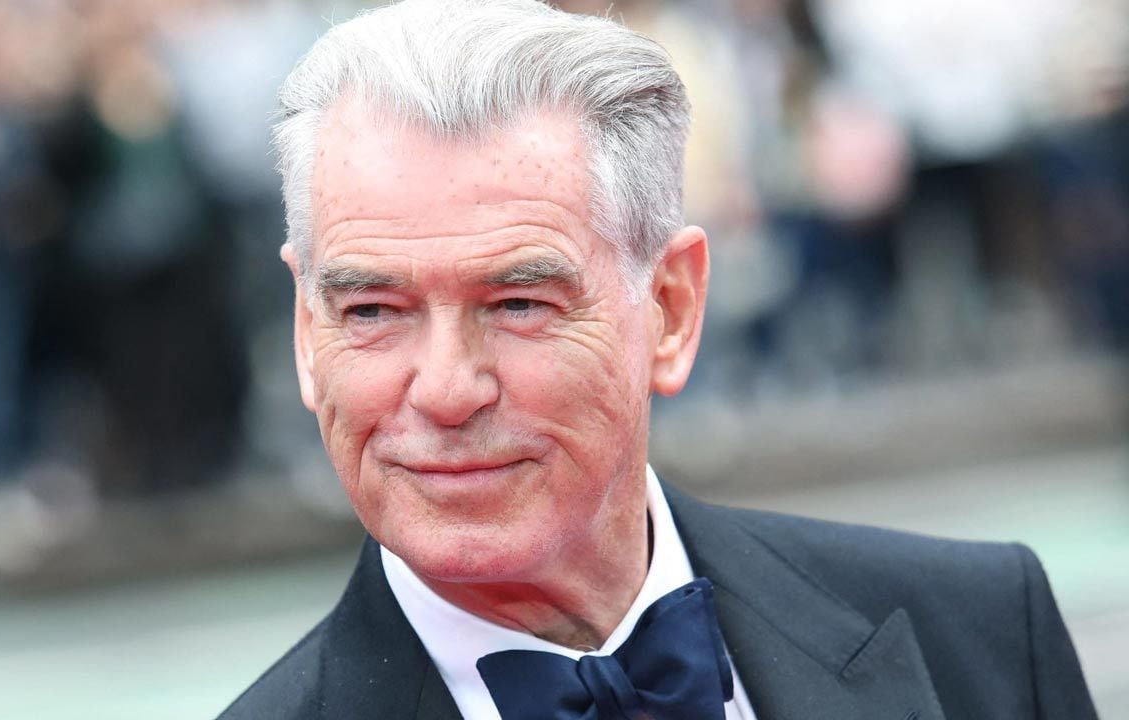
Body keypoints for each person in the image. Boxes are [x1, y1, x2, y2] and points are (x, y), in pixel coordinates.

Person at [219, 1, 1098, 718]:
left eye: (519, 304)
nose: (447, 390)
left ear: (671, 310)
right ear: (306, 331)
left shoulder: (979, 633)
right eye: (373, 311)